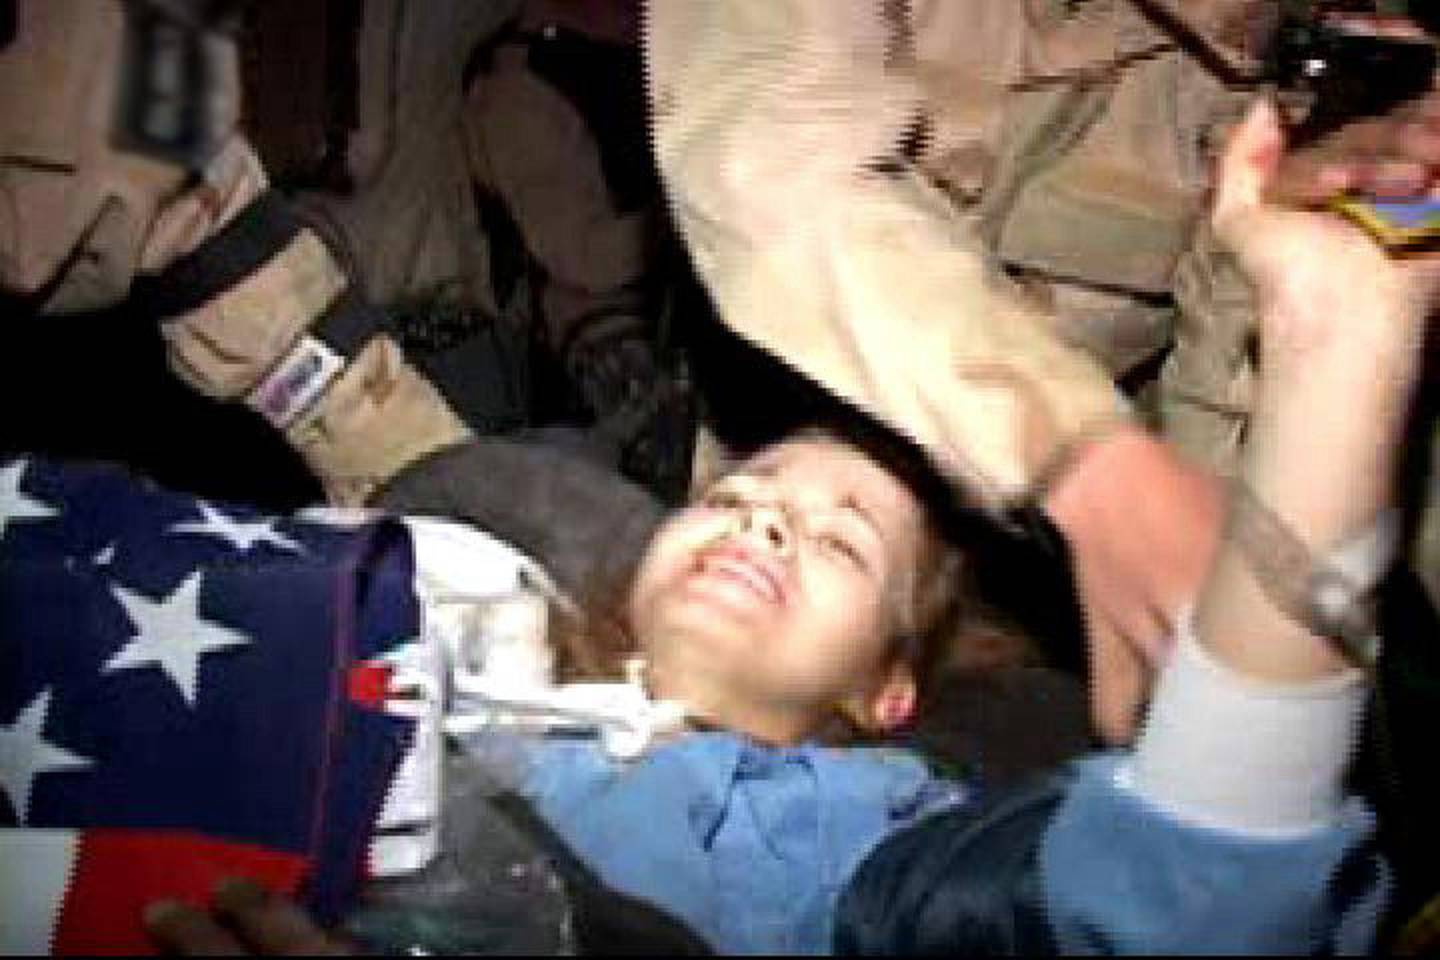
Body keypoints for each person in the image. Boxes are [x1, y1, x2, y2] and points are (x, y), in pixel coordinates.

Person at [140, 91, 1435, 952]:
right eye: (738, 498)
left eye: (840, 543)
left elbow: (1185, 905)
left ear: (885, 693)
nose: (765, 524)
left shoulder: (832, 844)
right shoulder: (482, 635)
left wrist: (1337, 347)